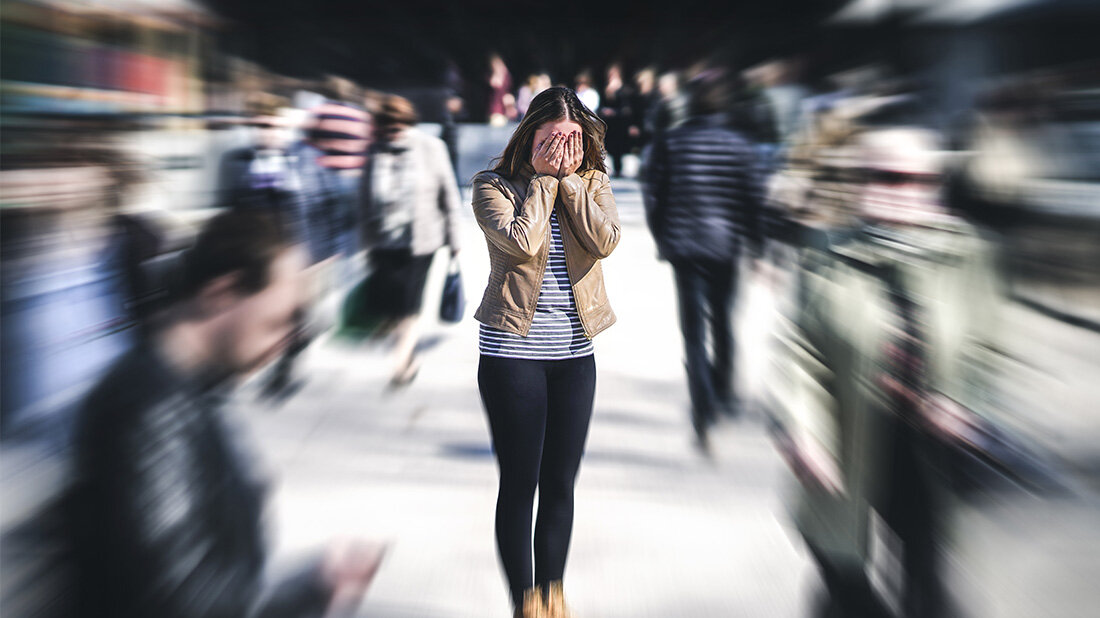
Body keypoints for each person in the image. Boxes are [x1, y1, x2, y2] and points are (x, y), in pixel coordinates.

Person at [68, 211, 386, 618]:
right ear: (222, 294)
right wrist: (310, 588)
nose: (289, 339)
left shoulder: (190, 391)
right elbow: (181, 600)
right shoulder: (149, 412)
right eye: (280, 320)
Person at [471, 86, 620, 618]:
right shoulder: (493, 186)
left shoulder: (595, 183)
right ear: (530, 135)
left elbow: (604, 241)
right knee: (520, 482)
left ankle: (553, 593)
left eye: (574, 138)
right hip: (512, 354)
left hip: (576, 356)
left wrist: (571, 187)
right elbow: (522, 241)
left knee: (561, 481)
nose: (565, 149)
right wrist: (541, 183)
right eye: (554, 138)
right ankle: (524, 601)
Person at [641, 68, 763, 452]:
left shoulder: (671, 142)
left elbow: (654, 194)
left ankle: (702, 405)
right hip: (725, 247)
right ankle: (723, 391)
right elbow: (753, 199)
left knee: (693, 332)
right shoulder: (740, 145)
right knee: (724, 321)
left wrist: (662, 236)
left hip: (685, 248)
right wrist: (758, 244)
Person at [360, 94, 462, 386]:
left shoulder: (431, 148)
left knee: (409, 304)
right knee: (391, 305)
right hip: (383, 242)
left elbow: (449, 195)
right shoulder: (374, 151)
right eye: (387, 128)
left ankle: (402, 363)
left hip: (421, 242)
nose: (393, 133)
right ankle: (400, 344)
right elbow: (363, 200)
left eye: (398, 127)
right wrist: (364, 243)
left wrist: (455, 238)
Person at [598, 63, 633, 178]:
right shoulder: (606, 89)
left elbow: (626, 109)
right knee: (611, 146)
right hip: (610, 124)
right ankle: (614, 168)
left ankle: (619, 169)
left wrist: (614, 112)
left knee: (619, 147)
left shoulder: (623, 90)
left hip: (620, 124)